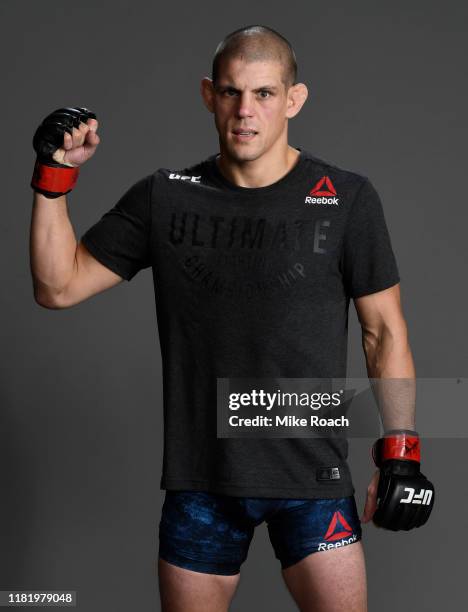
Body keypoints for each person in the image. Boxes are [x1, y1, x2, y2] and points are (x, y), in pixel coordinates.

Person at [29, 24, 434, 612]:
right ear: (208, 95)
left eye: (264, 94)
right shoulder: (165, 197)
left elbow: (385, 332)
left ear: (293, 99)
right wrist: (53, 177)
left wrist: (402, 454)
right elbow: (56, 286)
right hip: (202, 484)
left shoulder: (346, 198)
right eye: (230, 92)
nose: (245, 111)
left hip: (311, 480)